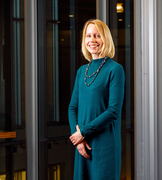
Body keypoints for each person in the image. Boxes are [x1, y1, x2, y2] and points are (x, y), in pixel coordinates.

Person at [68, 19, 125, 180]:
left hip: (105, 146)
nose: (92, 40)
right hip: (82, 145)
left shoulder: (115, 69)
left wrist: (83, 133)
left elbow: (113, 111)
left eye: (97, 36)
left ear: (105, 39)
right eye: (88, 36)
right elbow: (72, 107)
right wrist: (78, 139)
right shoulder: (81, 71)